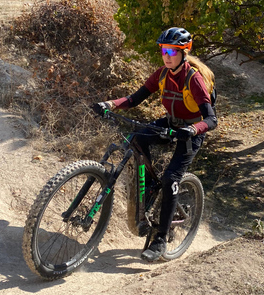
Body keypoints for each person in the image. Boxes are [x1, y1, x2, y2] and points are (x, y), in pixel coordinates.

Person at [93, 27, 217, 262]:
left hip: (192, 131)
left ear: (184, 52)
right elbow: (134, 99)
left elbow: (211, 120)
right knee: (137, 138)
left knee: (171, 177)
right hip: (170, 123)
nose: (167, 55)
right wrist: (109, 104)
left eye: (172, 50)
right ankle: (149, 187)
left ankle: (160, 239)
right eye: (163, 50)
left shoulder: (194, 79)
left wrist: (191, 130)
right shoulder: (161, 74)